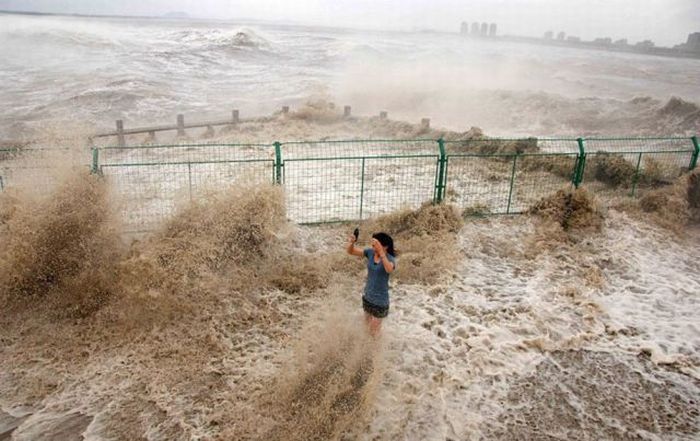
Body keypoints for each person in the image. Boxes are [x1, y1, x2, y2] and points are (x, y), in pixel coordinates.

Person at [347, 231, 396, 337]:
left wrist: (381, 253)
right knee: (366, 328)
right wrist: (352, 243)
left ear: (385, 246)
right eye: (373, 245)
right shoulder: (370, 253)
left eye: (376, 245)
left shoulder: (390, 259)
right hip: (368, 297)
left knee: (374, 333)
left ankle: (375, 352)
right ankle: (366, 351)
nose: (373, 247)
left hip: (380, 302)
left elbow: (389, 269)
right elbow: (351, 251)